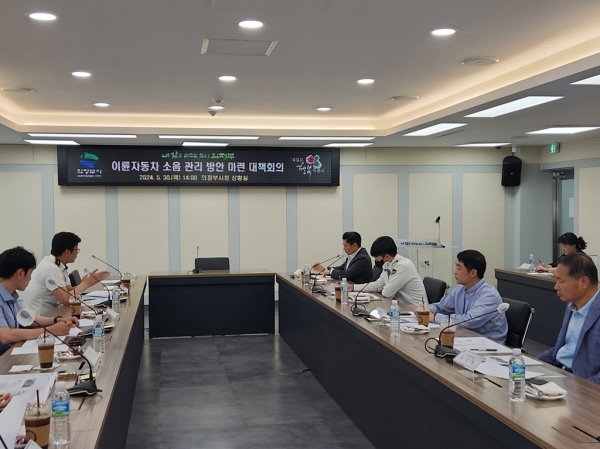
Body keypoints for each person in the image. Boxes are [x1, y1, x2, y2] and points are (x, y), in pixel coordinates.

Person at [0, 246, 78, 357]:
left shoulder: (10, 295)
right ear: (20, 273)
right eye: (30, 273)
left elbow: (29, 318)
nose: (31, 278)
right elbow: (5, 336)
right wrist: (50, 331)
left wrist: (57, 320)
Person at [537, 253, 600, 384]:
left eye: (561, 281)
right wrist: (530, 364)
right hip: (560, 374)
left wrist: (584, 389)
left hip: (584, 385)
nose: (556, 287)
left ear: (584, 282)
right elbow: (563, 349)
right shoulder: (572, 305)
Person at [428, 250, 507, 343]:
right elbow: (441, 307)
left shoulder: (489, 295)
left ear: (473, 273)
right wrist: (427, 309)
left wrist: (435, 317)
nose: (455, 272)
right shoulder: (461, 289)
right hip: (465, 338)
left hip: (489, 344)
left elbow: (469, 321)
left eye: (459, 268)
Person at [22, 232, 110, 316]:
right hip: (39, 320)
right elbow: (66, 299)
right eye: (76, 249)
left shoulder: (59, 265)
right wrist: (85, 284)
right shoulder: (50, 268)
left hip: (53, 314)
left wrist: (87, 282)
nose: (77, 252)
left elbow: (68, 290)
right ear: (67, 252)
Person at [349, 236, 425, 306]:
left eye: (377, 259)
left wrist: (384, 288)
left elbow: (387, 293)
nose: (376, 261)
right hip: (399, 306)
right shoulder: (388, 265)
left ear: (386, 256)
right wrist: (354, 287)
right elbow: (378, 285)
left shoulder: (403, 266)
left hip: (416, 309)